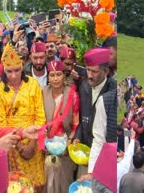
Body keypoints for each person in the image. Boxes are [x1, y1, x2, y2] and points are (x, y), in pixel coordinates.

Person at [0, 44, 46, 191]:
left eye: (17, 70)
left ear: (22, 66)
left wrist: (31, 145)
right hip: (13, 143)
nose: (14, 75)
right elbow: (2, 123)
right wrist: (20, 145)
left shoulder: (33, 84)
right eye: (9, 71)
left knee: (38, 183)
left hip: (34, 140)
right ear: (4, 70)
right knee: (19, 185)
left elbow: (40, 115)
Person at [73, 47, 116, 176]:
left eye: (94, 72)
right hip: (85, 152)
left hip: (105, 157)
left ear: (106, 71)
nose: (90, 75)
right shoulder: (84, 86)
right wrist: (78, 136)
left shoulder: (112, 92)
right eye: (88, 70)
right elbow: (82, 117)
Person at [42, 60, 79, 192]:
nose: (56, 79)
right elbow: (40, 120)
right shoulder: (42, 93)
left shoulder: (72, 95)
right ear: (48, 77)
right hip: (46, 148)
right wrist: (45, 141)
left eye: (59, 74)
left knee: (63, 185)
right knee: (48, 185)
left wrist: (68, 143)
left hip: (65, 150)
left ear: (64, 75)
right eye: (52, 75)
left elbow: (76, 124)